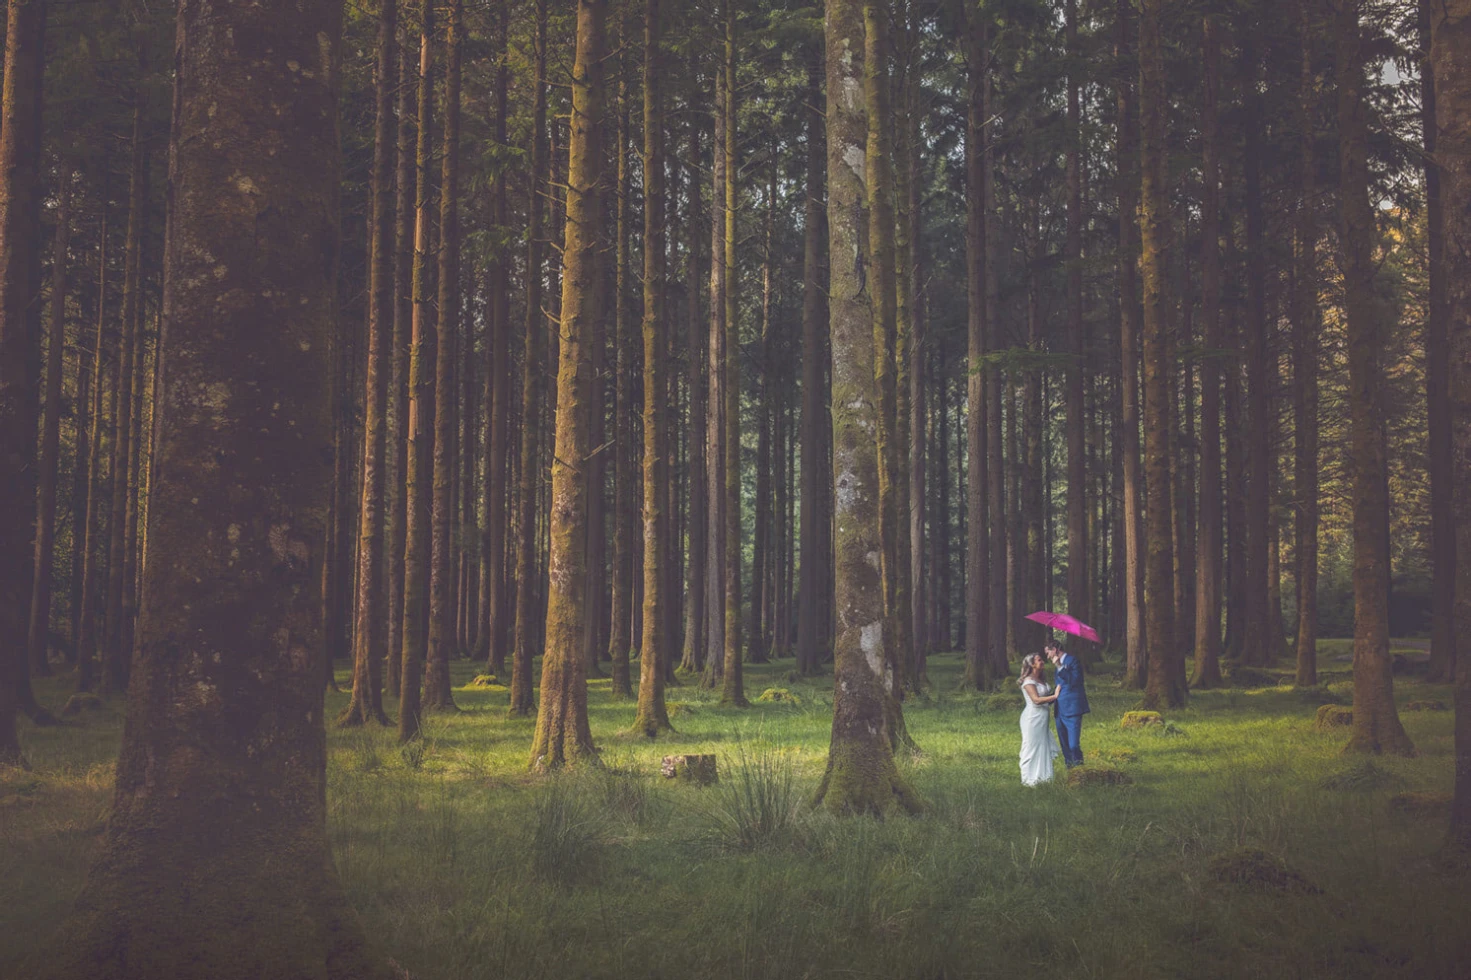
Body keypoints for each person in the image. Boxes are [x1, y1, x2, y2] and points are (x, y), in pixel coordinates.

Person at [1017, 654, 1061, 786]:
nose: (1042, 661)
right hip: (1032, 718)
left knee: (1042, 746)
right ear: (1031, 664)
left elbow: (1045, 699)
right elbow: (1036, 700)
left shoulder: (1041, 679)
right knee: (1031, 746)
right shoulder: (1028, 681)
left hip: (1043, 717)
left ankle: (1043, 777)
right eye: (1039, 660)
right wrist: (1055, 696)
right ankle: (1028, 779)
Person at [1046, 641, 1089, 767]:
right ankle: (1070, 771)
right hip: (1059, 710)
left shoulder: (1073, 661)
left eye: (1048, 652)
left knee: (1073, 744)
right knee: (1064, 745)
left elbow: (1075, 681)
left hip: (1073, 708)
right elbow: (1060, 687)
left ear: (1054, 650)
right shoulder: (1057, 665)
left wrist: (1059, 666)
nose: (1048, 656)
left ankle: (1080, 769)